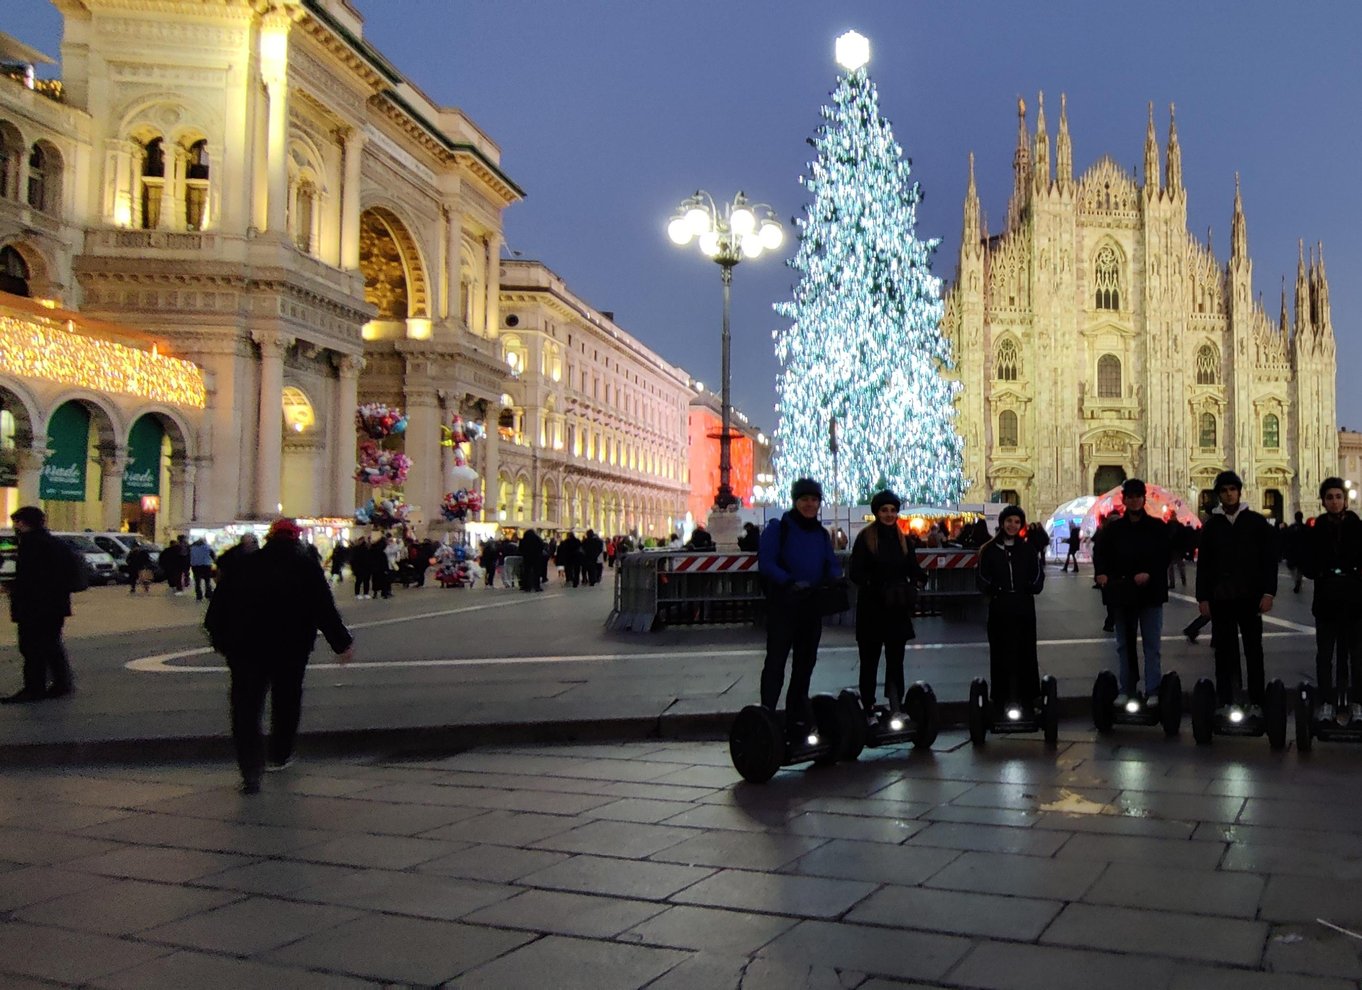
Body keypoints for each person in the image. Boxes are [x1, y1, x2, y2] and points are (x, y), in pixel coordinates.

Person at [205, 518, 353, 794]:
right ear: (296, 539)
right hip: (291, 648)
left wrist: (223, 643)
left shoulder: (244, 564)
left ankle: (250, 768)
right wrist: (341, 643)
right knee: (287, 700)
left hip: (247, 649)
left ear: (270, 537)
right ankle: (280, 754)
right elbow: (324, 608)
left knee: (246, 708)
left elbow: (217, 610)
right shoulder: (305, 567)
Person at [757, 478, 842, 740]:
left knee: (805, 663)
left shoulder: (820, 534)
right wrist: (789, 582)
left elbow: (830, 562)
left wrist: (834, 577)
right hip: (785, 604)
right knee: (776, 661)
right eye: (805, 499)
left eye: (814, 500)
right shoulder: (778, 528)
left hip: (810, 605)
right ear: (796, 501)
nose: (809, 504)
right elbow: (766, 563)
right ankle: (768, 713)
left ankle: (797, 712)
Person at [1195, 470, 1278, 712]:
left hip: (1250, 597)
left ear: (1239, 492)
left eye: (1232, 489)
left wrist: (1268, 593)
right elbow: (1205, 565)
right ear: (1219, 495)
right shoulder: (1212, 526)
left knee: (1254, 650)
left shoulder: (1256, 522)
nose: (1229, 494)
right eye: (1224, 491)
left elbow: (1269, 559)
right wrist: (1202, 597)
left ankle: (1256, 700)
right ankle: (1227, 698)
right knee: (1224, 651)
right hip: (1222, 598)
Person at [848, 490, 927, 718]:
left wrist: (920, 577)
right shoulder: (866, 539)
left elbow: (911, 566)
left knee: (896, 661)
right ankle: (868, 706)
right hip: (872, 608)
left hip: (895, 608)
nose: (889, 514)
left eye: (892, 510)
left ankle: (895, 704)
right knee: (869, 661)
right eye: (884, 510)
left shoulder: (904, 540)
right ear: (876, 512)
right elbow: (855, 572)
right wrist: (875, 584)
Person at [1092, 479, 1170, 705]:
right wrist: (1101, 573)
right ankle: (1126, 688)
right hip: (1123, 593)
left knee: (1151, 645)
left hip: (1150, 593)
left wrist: (1150, 573)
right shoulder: (1113, 529)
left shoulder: (1157, 527)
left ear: (1143, 499)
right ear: (1124, 500)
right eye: (1130, 496)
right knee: (1124, 645)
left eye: (1138, 496)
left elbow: (1164, 556)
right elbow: (1101, 553)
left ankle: (1153, 690)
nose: (1134, 500)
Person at [1, 506, 80, 703]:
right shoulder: (57, 544)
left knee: (31, 647)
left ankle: (34, 687)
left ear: (22, 523)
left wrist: (13, 587)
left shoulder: (30, 545)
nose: (15, 527)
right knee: (52, 644)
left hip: (34, 606)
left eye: (16, 522)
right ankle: (62, 683)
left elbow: (28, 578)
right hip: (56, 605)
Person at [1302, 477, 1362, 721]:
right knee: (1325, 656)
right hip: (1326, 601)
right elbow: (1306, 561)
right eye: (1329, 497)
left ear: (1345, 500)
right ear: (1323, 501)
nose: (1334, 501)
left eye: (1338, 497)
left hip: (1355, 601)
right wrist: (1318, 571)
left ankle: (1357, 703)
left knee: (1357, 656)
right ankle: (1326, 701)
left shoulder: (1358, 527)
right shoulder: (1315, 530)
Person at [976, 505, 1045, 710]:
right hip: (1000, 606)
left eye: (1016, 522)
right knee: (1000, 651)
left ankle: (1030, 695)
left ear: (1021, 524)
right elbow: (980, 576)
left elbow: (1038, 573)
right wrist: (992, 588)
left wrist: (1033, 587)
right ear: (1002, 523)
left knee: (1026, 651)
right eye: (1009, 521)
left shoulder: (1027, 549)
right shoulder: (988, 550)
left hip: (1023, 605)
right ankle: (1000, 696)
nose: (1012, 525)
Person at [1285, 511, 1309, 594]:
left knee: (1291, 567)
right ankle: (1298, 579)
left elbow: (1286, 540)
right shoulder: (1305, 528)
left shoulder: (1291, 528)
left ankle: (1296, 580)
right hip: (1302, 552)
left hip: (1293, 552)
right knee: (1300, 568)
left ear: (1295, 518)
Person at [189, 537, 216, 601]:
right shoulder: (208, 547)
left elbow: (189, 556)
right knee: (207, 581)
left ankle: (199, 595)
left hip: (196, 566)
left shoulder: (192, 548)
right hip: (206, 566)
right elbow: (213, 556)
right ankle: (208, 594)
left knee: (197, 581)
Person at [519, 528, 545, 592]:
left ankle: (527, 587)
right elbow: (542, 546)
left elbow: (520, 549)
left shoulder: (523, 540)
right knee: (536, 572)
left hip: (527, 558)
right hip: (536, 558)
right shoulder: (537, 539)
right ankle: (537, 586)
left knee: (526, 572)